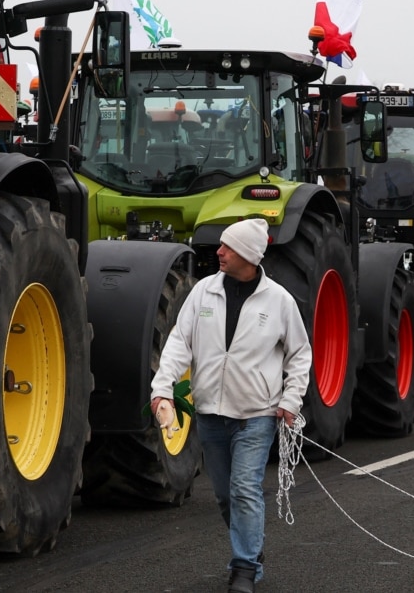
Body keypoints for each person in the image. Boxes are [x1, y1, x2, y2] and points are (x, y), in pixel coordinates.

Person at [149, 218, 311, 593]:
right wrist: (162, 387)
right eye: (221, 246)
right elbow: (178, 344)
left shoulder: (279, 301)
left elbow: (300, 354)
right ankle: (251, 550)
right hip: (210, 416)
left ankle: (243, 568)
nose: (218, 252)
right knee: (224, 495)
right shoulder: (203, 292)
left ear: (250, 256)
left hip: (256, 416)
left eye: (228, 247)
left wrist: (290, 399)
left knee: (244, 490)